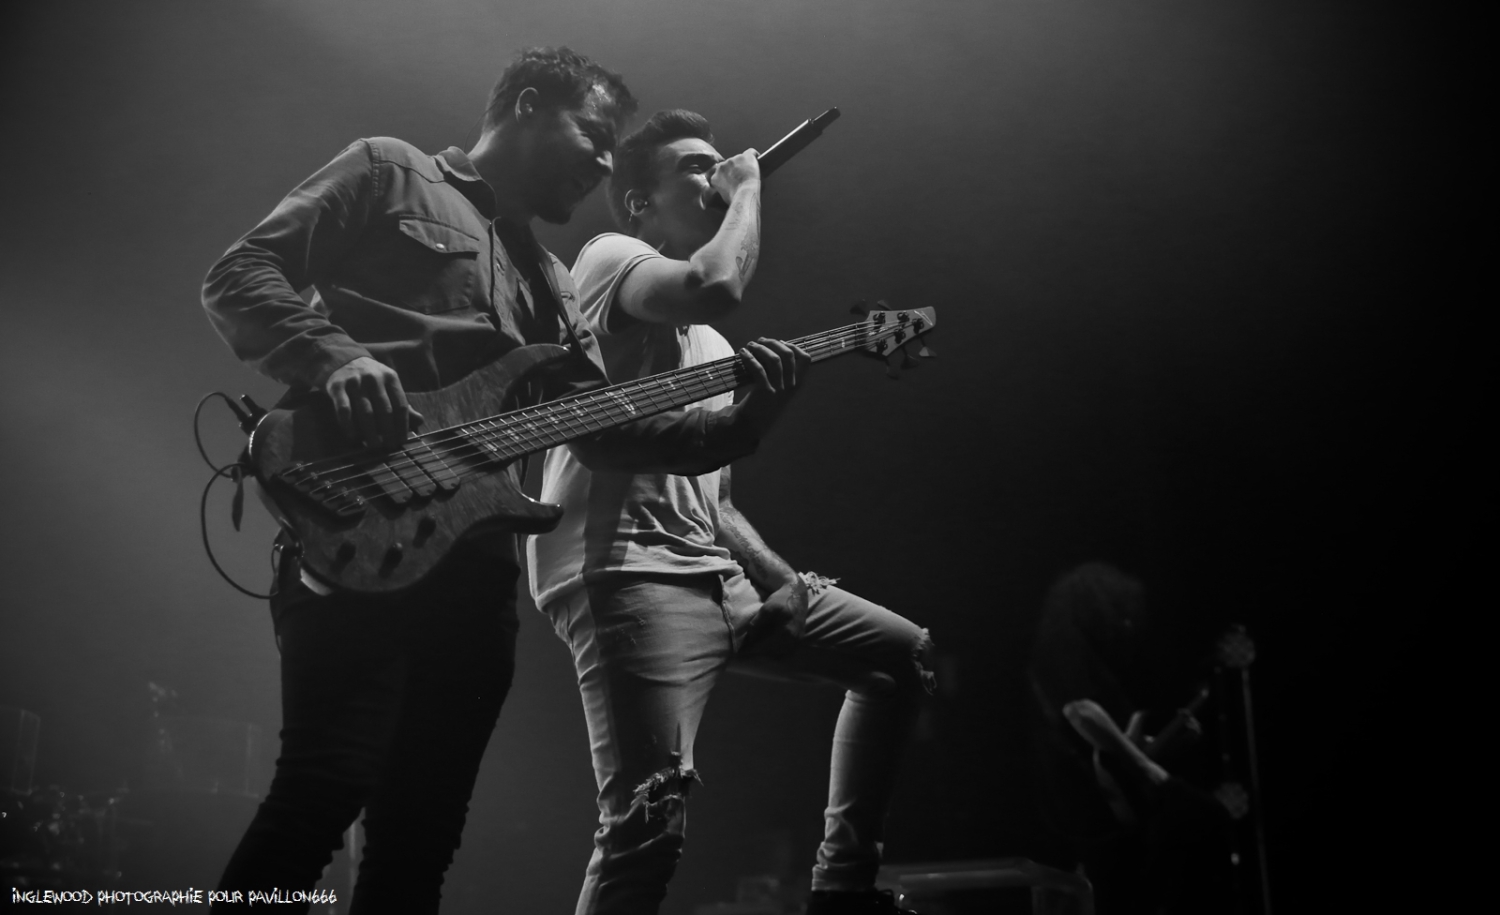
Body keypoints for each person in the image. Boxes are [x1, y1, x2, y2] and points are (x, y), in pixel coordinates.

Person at [201, 52, 809, 914]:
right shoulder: (391, 170)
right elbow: (238, 275)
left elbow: (608, 435)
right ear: (528, 106)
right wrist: (336, 359)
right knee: (320, 791)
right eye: (594, 136)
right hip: (355, 518)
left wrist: (743, 423)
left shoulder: (555, 287)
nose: (604, 163)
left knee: (422, 835)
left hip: (476, 572)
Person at [526, 109, 935, 915]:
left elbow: (715, 500)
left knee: (899, 657)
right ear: (638, 203)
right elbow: (718, 280)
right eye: (695, 166)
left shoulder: (710, 345)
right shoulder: (608, 258)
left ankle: (843, 888)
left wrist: (784, 583)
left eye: (721, 163)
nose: (716, 175)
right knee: (646, 826)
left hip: (715, 574)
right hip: (628, 573)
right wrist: (747, 185)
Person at [1026, 563, 1248, 914]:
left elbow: (1115, 755)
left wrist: (1161, 747)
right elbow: (1084, 722)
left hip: (1105, 818)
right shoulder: (1065, 662)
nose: (1126, 626)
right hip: (1091, 823)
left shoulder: (1081, 662)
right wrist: (1144, 765)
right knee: (1208, 818)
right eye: (1119, 615)